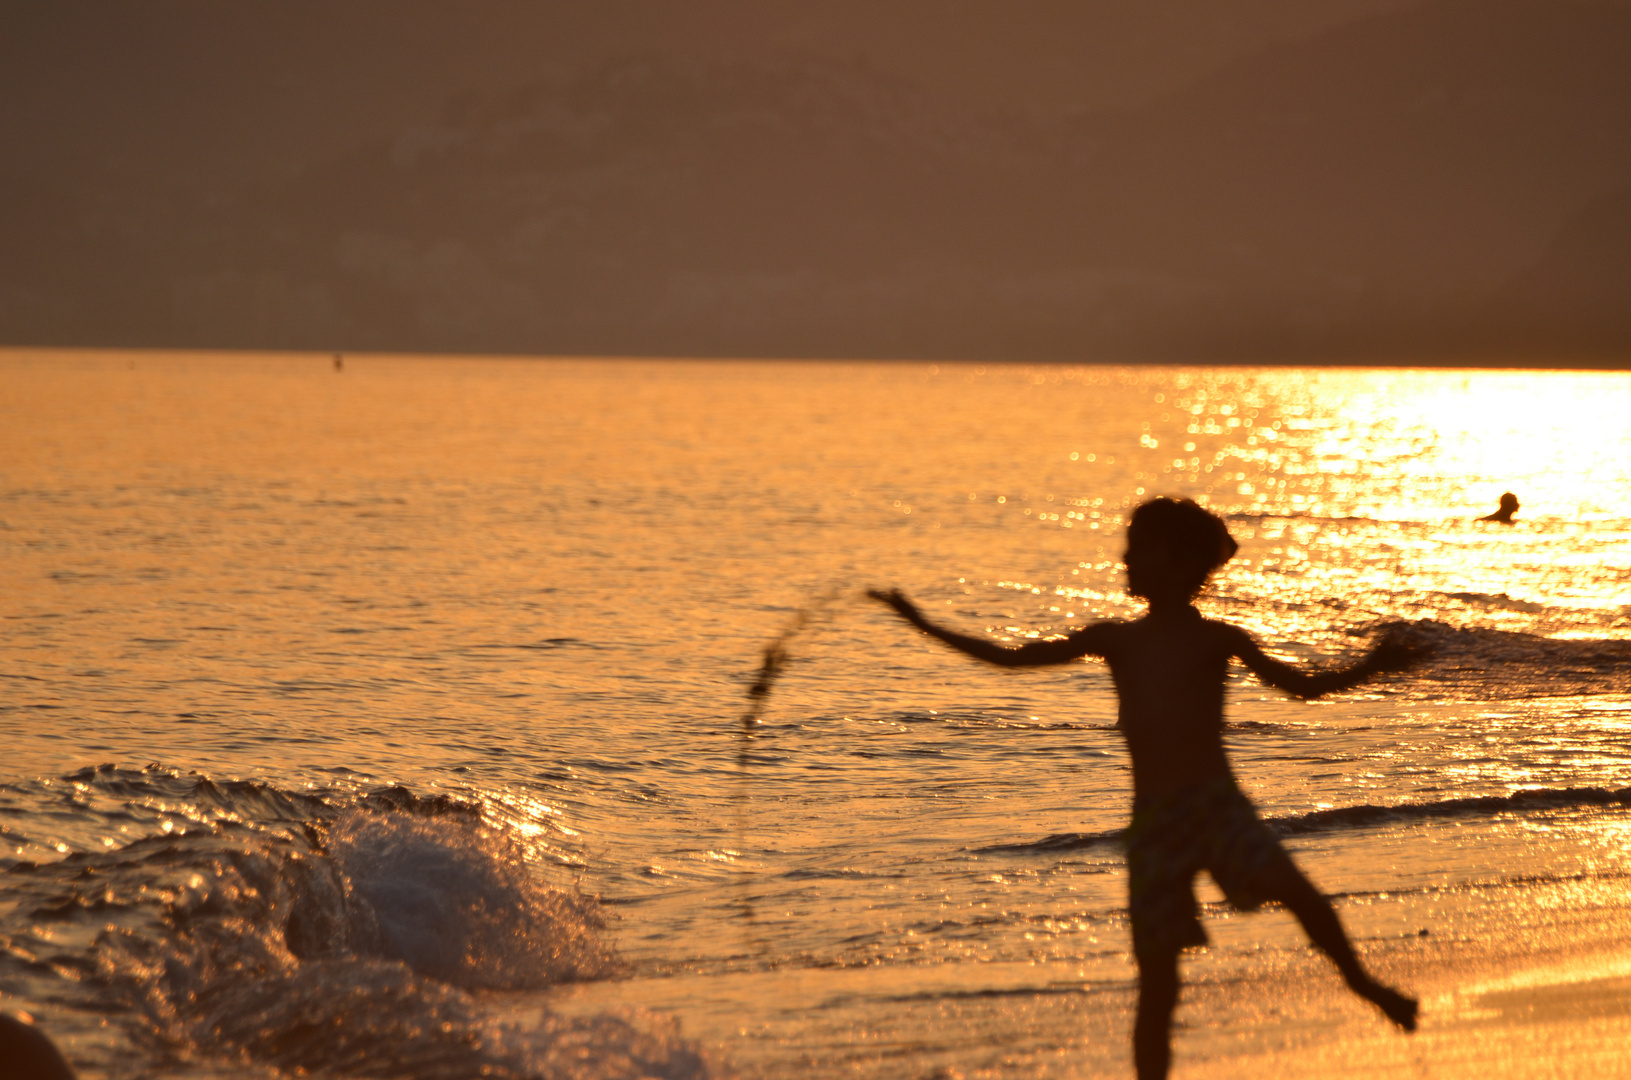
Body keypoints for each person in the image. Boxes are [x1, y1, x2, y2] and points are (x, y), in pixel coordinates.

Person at [869, 496, 1420, 1079]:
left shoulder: (1219, 640)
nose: (1125, 558)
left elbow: (1303, 688)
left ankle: (1367, 986)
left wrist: (1372, 667)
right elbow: (1013, 659)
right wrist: (921, 624)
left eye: (1139, 548)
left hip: (1215, 807)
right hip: (1155, 822)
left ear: (1182, 565)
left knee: (1303, 899)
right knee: (1157, 985)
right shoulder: (1117, 639)